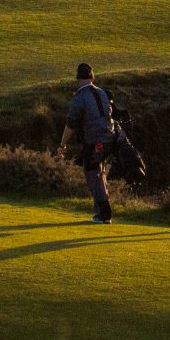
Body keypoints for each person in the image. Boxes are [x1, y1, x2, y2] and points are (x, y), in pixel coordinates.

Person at [66, 63, 117, 225]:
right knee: (100, 173)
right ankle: (101, 211)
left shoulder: (79, 97)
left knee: (93, 173)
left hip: (94, 141)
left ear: (78, 79)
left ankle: (103, 213)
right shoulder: (102, 93)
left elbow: (71, 124)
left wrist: (62, 145)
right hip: (110, 138)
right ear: (92, 78)